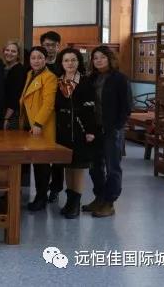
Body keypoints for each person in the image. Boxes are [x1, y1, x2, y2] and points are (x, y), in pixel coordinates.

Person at [82, 46, 131, 218]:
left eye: (102, 57)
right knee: (95, 167)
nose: (98, 60)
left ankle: (109, 203)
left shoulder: (120, 79)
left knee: (112, 168)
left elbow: (126, 107)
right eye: (95, 58)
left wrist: (117, 127)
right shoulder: (91, 78)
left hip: (112, 130)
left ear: (110, 59)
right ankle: (99, 197)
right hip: (94, 130)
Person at [54, 48, 96, 219]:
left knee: (78, 166)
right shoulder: (58, 81)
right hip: (62, 130)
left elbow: (91, 108)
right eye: (66, 60)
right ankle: (69, 200)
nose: (70, 63)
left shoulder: (85, 81)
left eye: (73, 60)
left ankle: (75, 204)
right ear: (61, 63)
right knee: (67, 166)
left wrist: (90, 130)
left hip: (80, 129)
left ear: (79, 62)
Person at [19, 46, 57, 211]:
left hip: (40, 126)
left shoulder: (50, 77)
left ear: (46, 59)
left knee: (42, 163)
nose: (36, 61)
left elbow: (49, 104)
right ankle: (39, 196)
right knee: (34, 161)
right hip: (27, 123)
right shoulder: (30, 74)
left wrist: (38, 124)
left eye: (40, 57)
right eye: (33, 58)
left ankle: (41, 197)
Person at [40, 31, 64, 201]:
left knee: (57, 155)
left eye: (52, 45)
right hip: (40, 116)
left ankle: (55, 188)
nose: (49, 48)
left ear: (58, 46)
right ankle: (41, 188)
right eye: (46, 45)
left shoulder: (63, 65)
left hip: (59, 116)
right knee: (41, 155)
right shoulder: (37, 64)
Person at [2, 40, 27, 131]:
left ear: (18, 54)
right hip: (2, 111)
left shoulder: (19, 70)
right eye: (7, 50)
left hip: (12, 114)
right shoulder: (2, 67)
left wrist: (7, 118)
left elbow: (15, 96)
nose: (9, 53)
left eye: (13, 51)